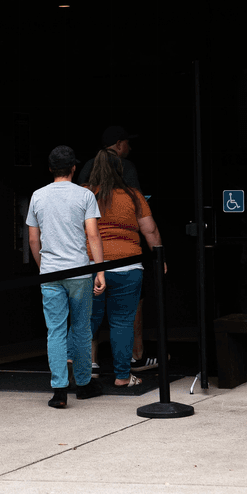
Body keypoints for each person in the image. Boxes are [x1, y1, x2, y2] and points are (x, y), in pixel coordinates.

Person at [26, 145, 106, 409]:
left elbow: (33, 238)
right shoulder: (85, 196)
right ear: (73, 168)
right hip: (79, 271)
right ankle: (83, 385)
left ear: (50, 169)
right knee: (82, 328)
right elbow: (93, 235)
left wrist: (42, 266)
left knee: (55, 331)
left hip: (50, 272)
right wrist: (99, 269)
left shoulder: (38, 196)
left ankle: (59, 390)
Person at [84, 148, 162, 390]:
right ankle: (122, 376)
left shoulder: (86, 194)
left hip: (92, 266)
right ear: (120, 170)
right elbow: (150, 230)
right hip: (128, 267)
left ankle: (84, 373)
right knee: (122, 323)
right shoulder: (133, 195)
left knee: (86, 322)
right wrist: (160, 257)